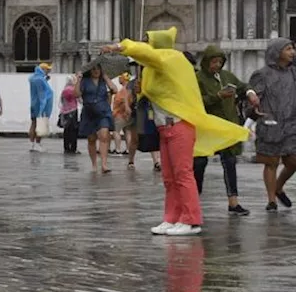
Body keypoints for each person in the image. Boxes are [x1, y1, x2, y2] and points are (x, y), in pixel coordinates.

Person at [101, 27, 249, 236]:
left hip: (179, 126)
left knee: (183, 174)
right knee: (169, 177)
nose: (147, 43)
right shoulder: (157, 66)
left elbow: (145, 53)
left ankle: (191, 219)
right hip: (165, 127)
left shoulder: (171, 58)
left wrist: (120, 46)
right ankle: (171, 218)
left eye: (149, 40)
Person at [196, 45, 249, 215]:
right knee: (199, 163)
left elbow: (242, 86)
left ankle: (233, 202)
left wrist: (250, 92)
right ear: (206, 62)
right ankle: (194, 199)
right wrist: (217, 96)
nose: (217, 65)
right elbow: (196, 100)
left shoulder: (227, 76)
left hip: (226, 126)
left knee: (229, 161)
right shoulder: (198, 78)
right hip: (207, 127)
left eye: (220, 61)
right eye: (214, 61)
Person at [246, 38, 296, 212]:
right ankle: (272, 200)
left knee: (293, 161)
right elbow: (252, 95)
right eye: (288, 49)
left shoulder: (293, 73)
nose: (292, 52)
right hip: (271, 123)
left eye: (292, 49)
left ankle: (279, 186)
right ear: (277, 52)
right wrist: (253, 107)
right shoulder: (262, 74)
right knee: (271, 162)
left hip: (291, 124)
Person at [79, 64, 118, 173]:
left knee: (104, 135)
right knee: (91, 139)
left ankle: (104, 164)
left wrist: (106, 77)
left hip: (103, 112)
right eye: (94, 69)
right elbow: (76, 93)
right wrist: (78, 80)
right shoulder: (85, 81)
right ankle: (94, 164)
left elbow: (115, 90)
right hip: (89, 112)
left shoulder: (103, 81)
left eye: (98, 69)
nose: (96, 71)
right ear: (90, 71)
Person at [28, 64, 53, 152]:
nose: (48, 72)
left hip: (34, 104)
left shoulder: (34, 78)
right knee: (40, 124)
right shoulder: (40, 80)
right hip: (40, 105)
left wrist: (45, 80)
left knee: (34, 123)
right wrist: (42, 108)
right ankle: (37, 144)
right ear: (42, 69)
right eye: (47, 70)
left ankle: (32, 144)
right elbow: (42, 94)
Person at [59, 74, 80, 154]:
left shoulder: (65, 89)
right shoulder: (72, 90)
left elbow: (61, 101)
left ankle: (66, 147)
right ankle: (73, 148)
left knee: (66, 130)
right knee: (73, 130)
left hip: (64, 111)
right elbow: (79, 98)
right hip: (73, 111)